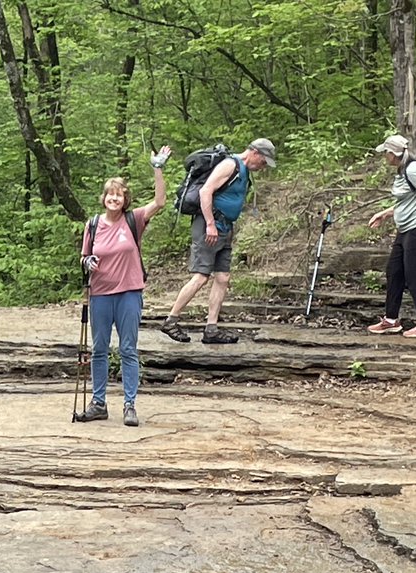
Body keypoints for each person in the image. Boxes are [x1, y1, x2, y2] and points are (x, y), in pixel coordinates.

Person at [77, 145, 172, 428]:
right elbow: (83, 257)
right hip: (101, 294)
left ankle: (129, 405)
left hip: (130, 292)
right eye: (110, 194)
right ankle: (98, 403)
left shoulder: (135, 219)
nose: (114, 198)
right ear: (104, 198)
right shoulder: (93, 225)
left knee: (128, 349)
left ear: (125, 199)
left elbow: (160, 202)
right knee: (99, 349)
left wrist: (158, 168)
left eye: (119, 194)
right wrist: (88, 261)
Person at [160, 138, 277, 345]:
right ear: (255, 153)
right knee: (201, 276)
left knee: (222, 277)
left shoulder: (245, 171)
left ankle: (211, 329)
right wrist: (210, 224)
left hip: (225, 228)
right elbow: (206, 191)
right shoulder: (230, 165)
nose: (263, 166)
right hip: (210, 228)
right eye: (263, 161)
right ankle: (171, 320)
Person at [366, 134, 416, 338]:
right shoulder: (403, 171)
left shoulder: (413, 169)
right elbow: (408, 201)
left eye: (385, 152)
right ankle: (391, 320)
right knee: (394, 271)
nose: (384, 156)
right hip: (406, 229)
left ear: (393, 154)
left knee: (414, 274)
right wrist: (385, 213)